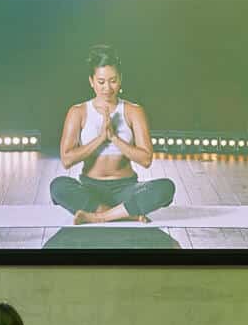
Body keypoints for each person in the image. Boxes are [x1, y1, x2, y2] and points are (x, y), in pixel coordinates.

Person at [48, 43, 176, 224]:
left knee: (166, 188)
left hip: (126, 188)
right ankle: (126, 215)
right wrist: (100, 138)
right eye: (101, 82)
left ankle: (100, 216)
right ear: (91, 81)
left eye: (113, 80)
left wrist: (114, 138)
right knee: (58, 186)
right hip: (90, 187)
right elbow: (67, 159)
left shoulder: (133, 111)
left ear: (121, 79)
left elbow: (146, 160)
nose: (107, 88)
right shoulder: (78, 112)